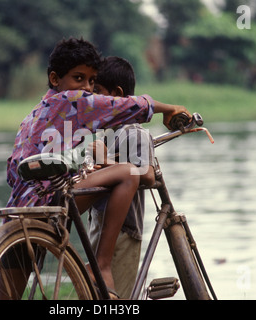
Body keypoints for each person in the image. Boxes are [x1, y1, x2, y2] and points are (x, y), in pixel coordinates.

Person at [5, 37, 191, 299]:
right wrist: (170, 108)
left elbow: (13, 170)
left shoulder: (33, 114)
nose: (87, 88)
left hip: (17, 214)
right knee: (128, 173)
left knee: (5, 295)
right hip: (52, 203)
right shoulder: (74, 101)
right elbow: (130, 105)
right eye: (79, 78)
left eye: (91, 81)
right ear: (55, 79)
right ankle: (101, 265)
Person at [87, 56, 155, 299]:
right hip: (99, 227)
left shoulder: (133, 132)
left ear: (117, 94)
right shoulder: (103, 133)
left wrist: (107, 162)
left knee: (118, 296)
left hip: (124, 232)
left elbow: (147, 174)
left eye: (98, 93)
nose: (94, 101)